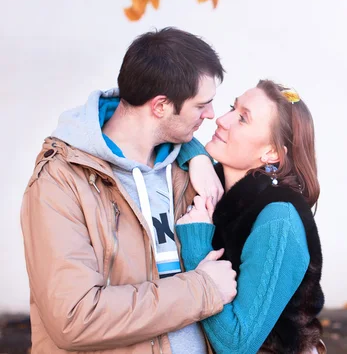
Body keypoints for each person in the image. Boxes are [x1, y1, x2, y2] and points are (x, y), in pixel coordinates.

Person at [20, 27, 237, 354]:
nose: (211, 115)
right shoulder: (61, 183)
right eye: (201, 105)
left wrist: (199, 155)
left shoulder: (186, 168)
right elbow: (76, 318)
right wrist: (203, 290)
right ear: (161, 106)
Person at [175, 80, 326, 353]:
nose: (221, 119)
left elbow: (237, 345)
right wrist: (197, 155)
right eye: (232, 107)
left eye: (243, 118)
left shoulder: (278, 219)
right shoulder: (214, 187)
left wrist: (196, 247)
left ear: (270, 152)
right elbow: (157, 134)